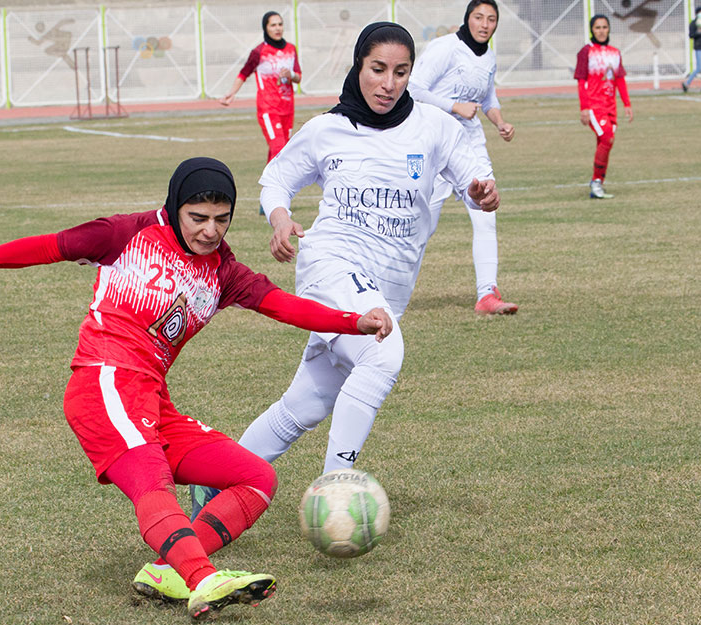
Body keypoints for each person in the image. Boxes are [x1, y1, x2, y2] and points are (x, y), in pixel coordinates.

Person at [0, 158, 393, 622]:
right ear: (174, 207)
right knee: (152, 480)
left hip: (152, 397)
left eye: (221, 220)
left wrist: (353, 322)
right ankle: (203, 579)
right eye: (198, 218)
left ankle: (170, 571)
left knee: (256, 478)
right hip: (103, 381)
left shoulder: (222, 271)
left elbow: (284, 306)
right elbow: (49, 246)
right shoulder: (126, 233)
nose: (210, 230)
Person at [191, 22, 501, 517]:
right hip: (329, 266)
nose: (388, 83)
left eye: (401, 72)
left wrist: (481, 192)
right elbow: (276, 179)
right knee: (384, 350)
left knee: (308, 404)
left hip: (386, 286)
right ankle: (338, 485)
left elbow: (472, 178)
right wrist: (279, 218)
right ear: (358, 67)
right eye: (377, 69)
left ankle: (216, 477)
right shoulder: (327, 129)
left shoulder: (434, 126)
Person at [407, 0, 518, 316]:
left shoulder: (489, 58)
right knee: (421, 226)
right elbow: (413, 89)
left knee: (486, 212)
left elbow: (488, 99)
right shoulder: (445, 48)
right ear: (467, 19)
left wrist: (500, 123)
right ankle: (382, 287)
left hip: (470, 144)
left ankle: (487, 294)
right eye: (479, 17)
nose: (484, 24)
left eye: (491, 19)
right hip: (434, 142)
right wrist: (454, 106)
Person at [219, 11, 302, 168]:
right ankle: (275, 185)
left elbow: (298, 76)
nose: (277, 28)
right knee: (279, 147)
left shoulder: (291, 49)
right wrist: (231, 93)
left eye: (280, 24)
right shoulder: (259, 52)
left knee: (283, 149)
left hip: (287, 108)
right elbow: (244, 73)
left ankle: (269, 187)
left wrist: (290, 74)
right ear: (266, 28)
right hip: (269, 108)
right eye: (273, 25)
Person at [574, 14, 633, 200]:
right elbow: (581, 81)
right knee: (607, 137)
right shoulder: (586, 52)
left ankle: (597, 183)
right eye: (597, 27)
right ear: (592, 30)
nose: (601, 31)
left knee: (605, 142)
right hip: (594, 105)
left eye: (604, 27)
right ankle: (596, 181)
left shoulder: (615, 53)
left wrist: (627, 104)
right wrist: (584, 107)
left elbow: (620, 80)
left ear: (609, 29)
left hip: (610, 107)